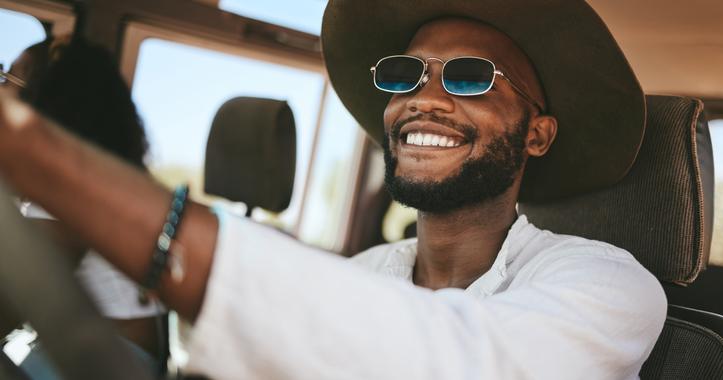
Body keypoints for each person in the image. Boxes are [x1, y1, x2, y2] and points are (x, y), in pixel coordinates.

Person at [0, 1, 667, 379]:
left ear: (538, 135)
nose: (422, 98)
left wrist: (31, 151)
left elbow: (463, 359)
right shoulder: (364, 274)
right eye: (405, 75)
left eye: (469, 76)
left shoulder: (609, 285)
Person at [3, 37, 165, 377]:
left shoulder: (70, 188)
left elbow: (8, 305)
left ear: (46, 100)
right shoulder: (94, 175)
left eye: (9, 78)